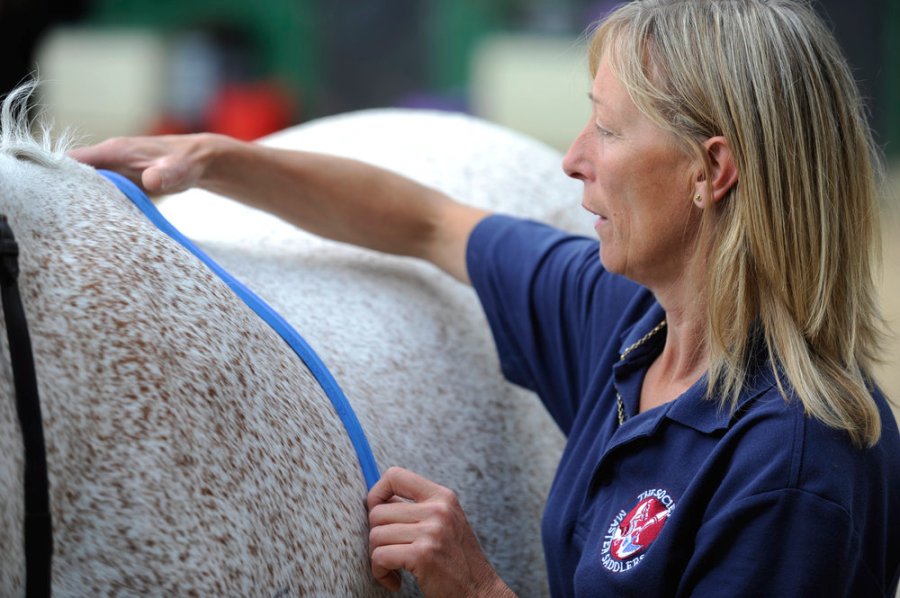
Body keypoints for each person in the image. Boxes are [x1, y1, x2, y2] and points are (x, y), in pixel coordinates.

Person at [71, 0, 900, 595]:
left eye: (608, 130)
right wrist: (214, 158)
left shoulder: (792, 469)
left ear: (711, 172)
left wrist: (475, 589)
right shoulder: (627, 322)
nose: (572, 159)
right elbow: (425, 220)